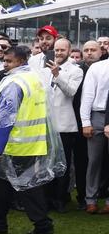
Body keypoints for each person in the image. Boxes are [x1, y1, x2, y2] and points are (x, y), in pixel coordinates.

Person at [0, 45, 60, 234]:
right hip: (29, 143)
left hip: (12, 145)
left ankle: (39, 224)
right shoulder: (33, 78)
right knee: (11, 186)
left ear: (21, 61)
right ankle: (2, 223)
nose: (5, 64)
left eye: (9, 61)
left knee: (23, 188)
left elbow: (6, 119)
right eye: (4, 60)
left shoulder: (14, 83)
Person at [41, 38, 82, 212]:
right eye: (56, 50)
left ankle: (60, 199)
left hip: (65, 126)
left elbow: (71, 91)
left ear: (69, 50)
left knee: (62, 165)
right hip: (46, 125)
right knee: (46, 163)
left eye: (62, 50)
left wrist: (58, 74)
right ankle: (47, 198)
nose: (58, 53)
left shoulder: (76, 70)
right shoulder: (45, 69)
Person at [78, 48, 109, 213]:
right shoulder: (97, 68)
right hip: (97, 115)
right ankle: (91, 199)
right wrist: (85, 122)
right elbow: (87, 95)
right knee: (94, 161)